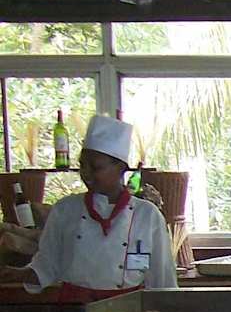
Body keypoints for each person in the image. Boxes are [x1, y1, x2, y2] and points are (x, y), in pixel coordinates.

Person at [0, 115, 175, 301]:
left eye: (95, 167)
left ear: (121, 168)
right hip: (74, 308)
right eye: (82, 166)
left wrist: (171, 311)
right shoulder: (65, 209)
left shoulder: (147, 215)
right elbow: (46, 265)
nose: (86, 174)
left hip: (128, 309)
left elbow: (163, 277)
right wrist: (18, 274)